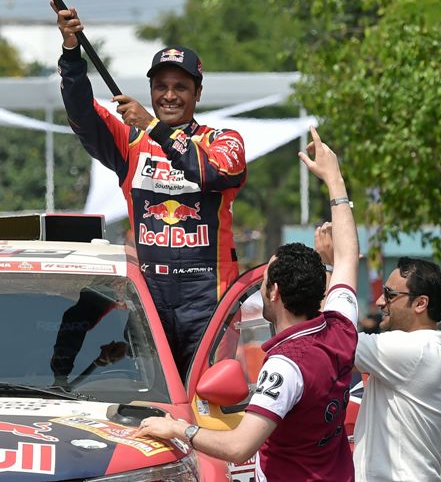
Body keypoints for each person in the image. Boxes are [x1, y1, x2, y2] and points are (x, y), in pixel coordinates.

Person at [135, 126, 359, 482]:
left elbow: (240, 446)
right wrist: (334, 180)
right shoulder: (341, 327)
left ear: (275, 292)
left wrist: (178, 429)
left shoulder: (285, 366)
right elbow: (348, 257)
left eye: (266, 281)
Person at [55, 5, 246, 374]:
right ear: (150, 89)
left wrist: (155, 128)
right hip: (149, 301)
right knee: (154, 406)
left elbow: (214, 172)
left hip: (209, 301)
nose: (169, 96)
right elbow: (82, 114)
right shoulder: (130, 141)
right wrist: (71, 53)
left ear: (198, 93)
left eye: (180, 88)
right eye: (161, 87)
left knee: (204, 401)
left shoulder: (222, 140)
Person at [314, 239, 441, 481]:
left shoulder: (415, 349)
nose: (379, 302)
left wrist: (332, 267)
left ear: (421, 303)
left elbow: (332, 341)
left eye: (389, 294)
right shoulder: (421, 349)